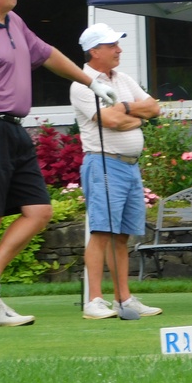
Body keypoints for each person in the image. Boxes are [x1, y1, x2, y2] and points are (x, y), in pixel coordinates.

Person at [0, 0, 118, 327]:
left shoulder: (14, 22)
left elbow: (48, 54)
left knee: (39, 211)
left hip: (14, 129)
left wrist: (91, 81)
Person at [71, 23, 162, 319]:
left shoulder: (122, 79)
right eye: (112, 45)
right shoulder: (82, 84)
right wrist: (134, 115)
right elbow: (110, 121)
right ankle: (94, 301)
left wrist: (125, 108)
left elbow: (154, 108)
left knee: (121, 236)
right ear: (94, 51)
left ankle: (124, 299)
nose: (119, 50)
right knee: (101, 232)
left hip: (129, 166)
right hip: (103, 164)